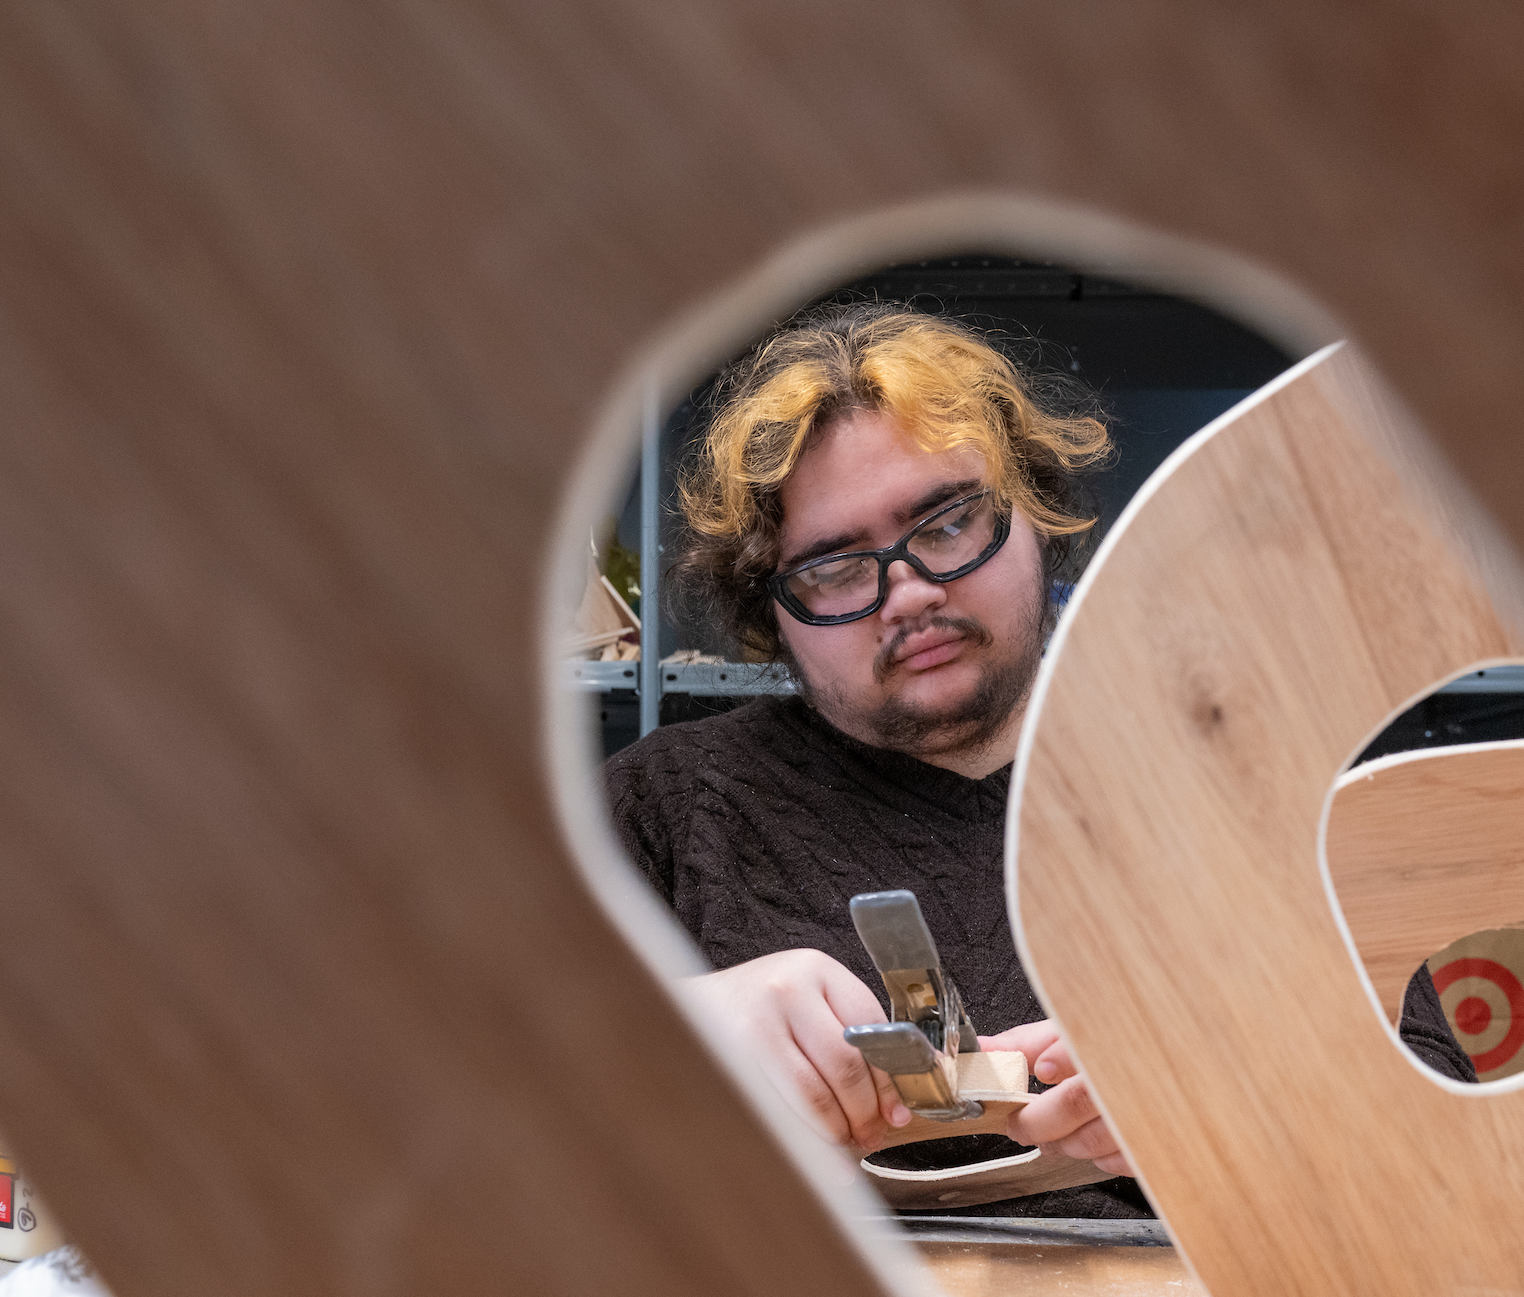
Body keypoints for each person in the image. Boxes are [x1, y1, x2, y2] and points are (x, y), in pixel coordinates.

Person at [604, 303, 1475, 1217]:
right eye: (834, 566)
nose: (908, 592)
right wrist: (671, 1034)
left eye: (946, 522)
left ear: (1038, 519)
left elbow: (1448, 1135)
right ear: (771, 608)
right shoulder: (661, 811)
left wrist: (1242, 1104)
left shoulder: (1236, 792)